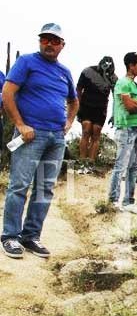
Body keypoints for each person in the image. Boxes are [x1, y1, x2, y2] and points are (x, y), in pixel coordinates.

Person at [1, 23, 79, 258]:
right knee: (19, 185)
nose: (49, 44)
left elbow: (73, 101)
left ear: (62, 45)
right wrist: (20, 125)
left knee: (44, 189)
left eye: (55, 41)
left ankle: (31, 236)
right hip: (31, 136)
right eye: (45, 39)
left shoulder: (64, 72)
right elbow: (7, 93)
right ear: (40, 41)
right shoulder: (26, 62)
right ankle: (10, 236)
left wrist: (67, 124)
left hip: (56, 139)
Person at [108, 52, 137, 215]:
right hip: (125, 127)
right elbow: (129, 107)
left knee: (134, 166)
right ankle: (113, 200)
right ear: (131, 65)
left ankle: (128, 202)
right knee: (121, 165)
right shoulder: (123, 83)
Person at [76, 56, 117, 173]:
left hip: (101, 108)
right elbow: (78, 89)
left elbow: (116, 97)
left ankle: (90, 164)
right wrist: (77, 106)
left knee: (96, 133)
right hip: (86, 105)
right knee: (86, 131)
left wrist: (114, 114)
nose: (107, 67)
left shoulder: (113, 78)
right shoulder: (88, 71)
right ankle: (82, 162)